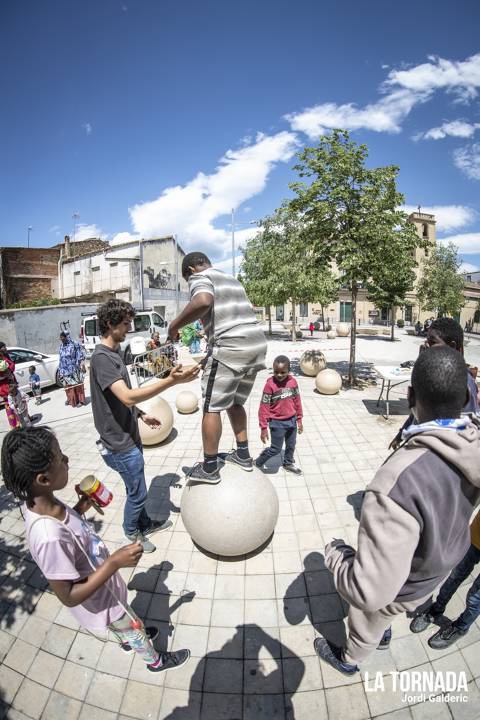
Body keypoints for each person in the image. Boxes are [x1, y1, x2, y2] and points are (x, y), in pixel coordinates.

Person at [314, 346, 480, 675]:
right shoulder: (473, 442)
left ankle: (348, 661)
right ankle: (384, 634)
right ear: (465, 398)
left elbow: (368, 591)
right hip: (437, 564)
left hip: (402, 582)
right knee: (383, 616)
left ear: (410, 397)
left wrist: (336, 555)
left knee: (368, 619)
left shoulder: (396, 485)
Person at [0, 426, 190, 673]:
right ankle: (154, 660)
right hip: (100, 597)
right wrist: (113, 563)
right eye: (60, 458)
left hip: (104, 588)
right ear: (43, 479)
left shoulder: (39, 501)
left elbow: (69, 534)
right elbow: (67, 595)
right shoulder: (47, 537)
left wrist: (79, 508)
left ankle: (128, 638)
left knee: (124, 624)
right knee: (132, 625)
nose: (67, 460)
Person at [90, 299, 200, 552]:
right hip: (119, 444)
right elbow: (127, 396)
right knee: (138, 494)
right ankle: (132, 534)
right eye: (126, 323)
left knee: (135, 488)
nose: (130, 328)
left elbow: (120, 399)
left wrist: (139, 415)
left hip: (128, 436)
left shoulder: (113, 353)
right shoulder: (102, 359)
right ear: (110, 323)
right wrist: (171, 381)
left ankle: (145, 524)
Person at [167, 252, 267, 483]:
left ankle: (210, 468)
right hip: (255, 344)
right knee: (234, 402)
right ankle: (243, 454)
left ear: (191, 270)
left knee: (212, 407)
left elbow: (203, 301)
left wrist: (174, 325)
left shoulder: (199, 277)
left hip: (231, 346)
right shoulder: (231, 279)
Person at [389, 317, 479, 449]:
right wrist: (401, 434)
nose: (426, 346)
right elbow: (419, 410)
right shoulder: (434, 372)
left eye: (432, 342)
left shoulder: (463, 381)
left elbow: (464, 430)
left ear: (452, 346)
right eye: (426, 342)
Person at [410, 508, 480, 649]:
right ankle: (437, 608)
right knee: (455, 575)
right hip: (476, 536)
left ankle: (461, 627)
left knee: (475, 598)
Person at [255, 355, 303, 475]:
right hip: (277, 423)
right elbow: (264, 407)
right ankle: (257, 463)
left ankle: (288, 463)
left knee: (291, 444)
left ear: (289, 370)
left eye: (283, 372)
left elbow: (297, 400)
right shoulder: (269, 385)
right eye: (276, 372)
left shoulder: (293, 382)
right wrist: (263, 427)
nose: (279, 375)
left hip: (291, 421)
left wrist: (299, 419)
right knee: (275, 449)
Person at [58, 331, 86, 407]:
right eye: (61, 339)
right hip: (64, 369)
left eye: (63, 338)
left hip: (74, 368)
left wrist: (82, 364)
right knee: (68, 386)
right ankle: (71, 400)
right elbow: (60, 358)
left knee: (77, 384)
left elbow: (81, 353)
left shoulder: (74, 344)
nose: (62, 340)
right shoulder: (61, 346)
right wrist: (60, 370)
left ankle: (81, 401)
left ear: (67, 337)